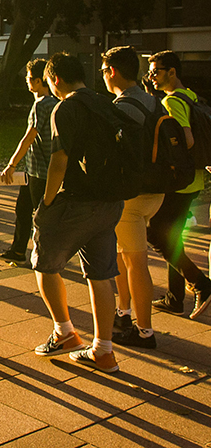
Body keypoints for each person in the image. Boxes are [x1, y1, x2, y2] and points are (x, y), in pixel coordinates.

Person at [31, 52, 125, 373]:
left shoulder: (65, 107)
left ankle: (64, 333)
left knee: (43, 263)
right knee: (101, 275)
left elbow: (59, 160)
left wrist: (46, 202)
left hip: (79, 201)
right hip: (112, 201)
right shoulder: (105, 102)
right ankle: (103, 349)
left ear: (55, 79)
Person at [99, 47, 166, 349]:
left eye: (103, 71)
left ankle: (145, 332)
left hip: (133, 196)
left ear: (112, 71)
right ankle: (123, 312)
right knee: (124, 255)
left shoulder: (123, 106)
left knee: (136, 263)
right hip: (157, 190)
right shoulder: (153, 101)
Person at [146, 51, 211, 319]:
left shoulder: (172, 101)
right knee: (174, 237)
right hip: (195, 180)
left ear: (172, 72)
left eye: (156, 71)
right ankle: (174, 298)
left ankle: (202, 285)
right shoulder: (192, 96)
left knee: (156, 234)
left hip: (179, 183)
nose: (152, 76)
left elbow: (187, 140)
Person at [0, 59, 56, 265]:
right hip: (39, 169)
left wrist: (11, 164)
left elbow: (29, 137)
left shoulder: (42, 104)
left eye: (29, 78)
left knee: (39, 215)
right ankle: (18, 251)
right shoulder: (56, 102)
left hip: (40, 171)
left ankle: (44, 257)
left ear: (39, 81)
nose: (26, 82)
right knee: (23, 208)